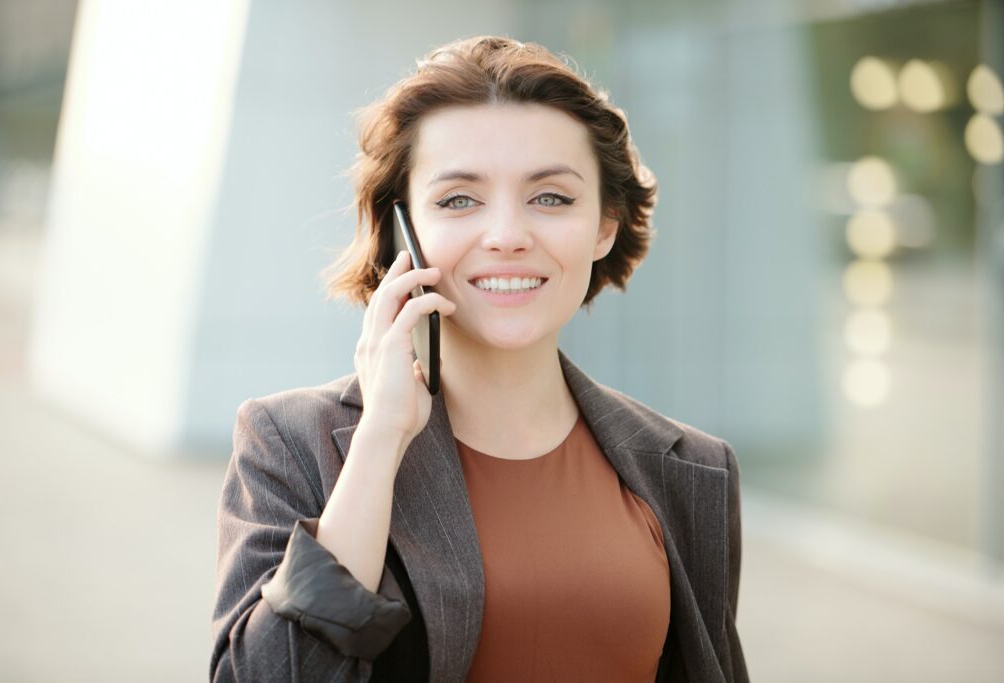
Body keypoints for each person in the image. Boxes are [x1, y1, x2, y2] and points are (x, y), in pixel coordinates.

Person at [210, 35, 748, 683]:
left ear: (605, 225)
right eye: (459, 200)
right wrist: (379, 442)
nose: (507, 236)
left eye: (551, 197)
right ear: (402, 231)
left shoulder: (693, 468)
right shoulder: (291, 443)